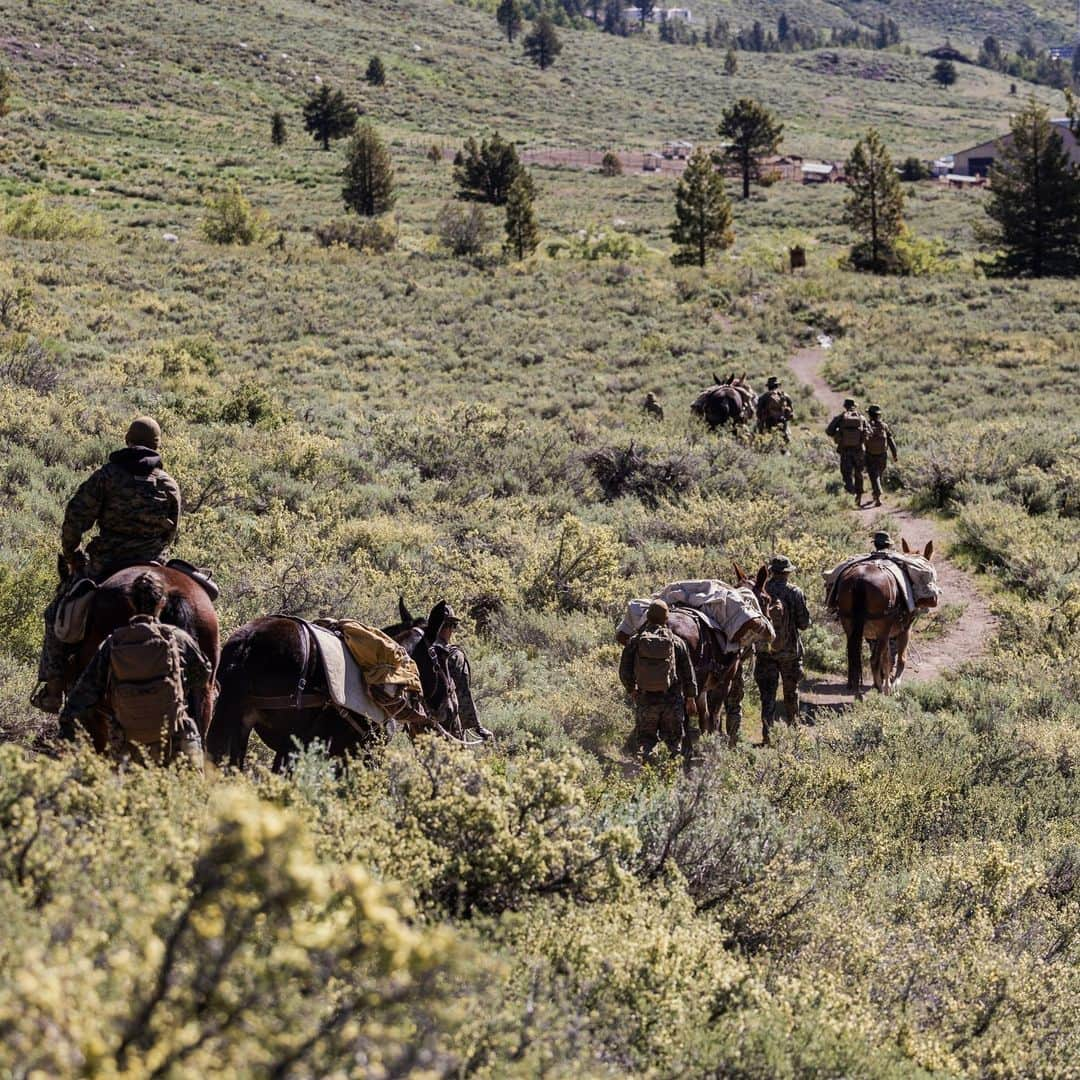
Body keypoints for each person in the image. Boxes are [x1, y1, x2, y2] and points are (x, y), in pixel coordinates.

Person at [32, 416, 182, 713]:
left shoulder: (106, 476)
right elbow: (171, 532)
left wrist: (72, 552)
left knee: (57, 614)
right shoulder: (168, 484)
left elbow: (75, 517)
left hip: (107, 563)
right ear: (156, 445)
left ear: (127, 440)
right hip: (154, 563)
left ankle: (53, 688)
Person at [59, 573, 209, 768]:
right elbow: (203, 674)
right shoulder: (178, 638)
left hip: (128, 746)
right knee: (193, 790)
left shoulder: (112, 643)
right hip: (174, 740)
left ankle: (50, 688)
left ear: (130, 602)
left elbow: (83, 696)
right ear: (162, 602)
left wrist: (65, 733)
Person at [619, 599, 698, 762]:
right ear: (666, 618)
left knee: (646, 742)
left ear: (647, 617)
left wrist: (632, 690)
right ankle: (671, 776)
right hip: (672, 700)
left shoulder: (635, 641)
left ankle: (648, 778)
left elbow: (624, 671)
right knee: (674, 744)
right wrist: (690, 698)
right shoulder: (677, 642)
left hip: (646, 699)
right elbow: (688, 673)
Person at [754, 556, 811, 745]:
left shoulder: (760, 591)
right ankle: (793, 730)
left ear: (771, 571)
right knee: (791, 692)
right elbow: (803, 624)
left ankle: (767, 735)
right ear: (787, 572)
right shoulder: (795, 592)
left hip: (765, 652)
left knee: (767, 695)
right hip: (789, 652)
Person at [436, 605, 493, 741]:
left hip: (420, 722)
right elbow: (463, 693)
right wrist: (477, 726)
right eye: (452, 625)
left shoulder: (420, 652)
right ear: (448, 627)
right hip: (448, 722)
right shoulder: (455, 656)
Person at [825, 398, 869, 507]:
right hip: (859, 450)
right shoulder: (861, 418)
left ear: (845, 406)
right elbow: (869, 432)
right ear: (855, 406)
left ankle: (851, 492)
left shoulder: (840, 418)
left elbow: (829, 431)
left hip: (845, 450)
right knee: (859, 472)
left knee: (846, 473)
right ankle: (859, 496)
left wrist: (838, 435)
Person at [864, 405, 898, 507]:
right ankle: (876, 494)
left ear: (869, 415)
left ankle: (877, 495)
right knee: (878, 474)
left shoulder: (866, 426)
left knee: (873, 476)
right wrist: (894, 454)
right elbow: (891, 441)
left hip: (870, 455)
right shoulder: (884, 426)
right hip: (882, 455)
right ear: (879, 415)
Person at [756, 376, 794, 443]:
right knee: (785, 439)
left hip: (768, 422)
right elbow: (791, 411)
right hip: (782, 421)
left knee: (764, 439)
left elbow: (758, 413)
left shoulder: (764, 397)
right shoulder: (785, 395)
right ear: (777, 386)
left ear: (768, 387)